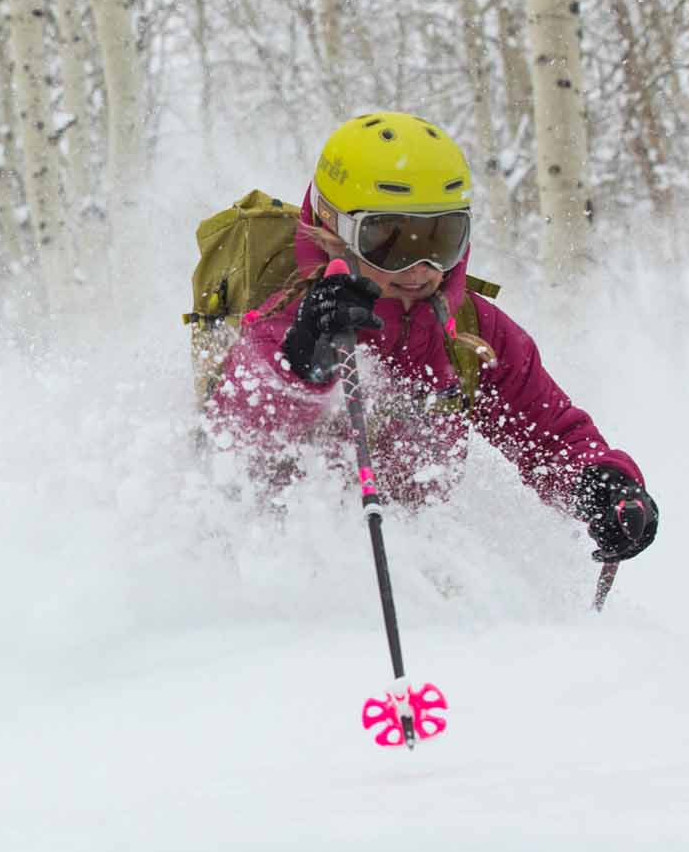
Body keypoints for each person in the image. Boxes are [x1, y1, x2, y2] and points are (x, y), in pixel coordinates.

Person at [204, 111, 658, 563]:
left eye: (442, 238)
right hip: (278, 573)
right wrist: (301, 362)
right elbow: (235, 442)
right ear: (332, 230)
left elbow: (550, 435)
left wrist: (600, 484)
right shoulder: (293, 317)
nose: (421, 267)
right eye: (389, 240)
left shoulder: (470, 331)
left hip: (415, 578)